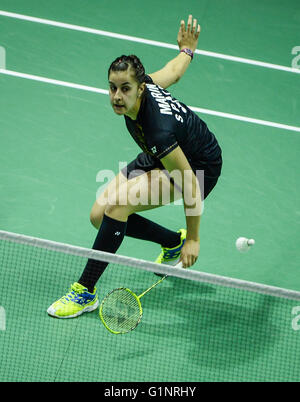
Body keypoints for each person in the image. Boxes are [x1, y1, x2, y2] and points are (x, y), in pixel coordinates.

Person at [47, 15, 222, 318]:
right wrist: (187, 50)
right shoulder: (146, 87)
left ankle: (85, 291)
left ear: (139, 89)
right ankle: (171, 242)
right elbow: (173, 72)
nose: (117, 96)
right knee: (98, 215)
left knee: (117, 208)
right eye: (113, 87)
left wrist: (194, 239)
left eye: (124, 88)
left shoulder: (159, 130)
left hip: (198, 166)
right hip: (159, 156)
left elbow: (191, 185)